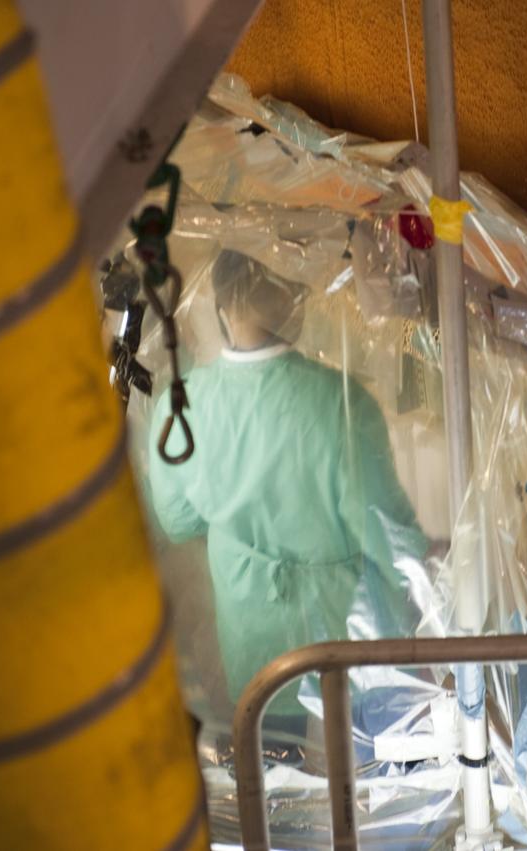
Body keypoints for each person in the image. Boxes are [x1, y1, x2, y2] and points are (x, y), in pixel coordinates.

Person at [146, 248, 434, 726]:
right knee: (352, 783)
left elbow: (177, 522)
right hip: (345, 655)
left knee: (275, 777)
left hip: (251, 651)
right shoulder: (341, 404)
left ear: (222, 309)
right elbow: (388, 539)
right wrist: (436, 571)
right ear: (291, 302)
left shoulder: (184, 406)